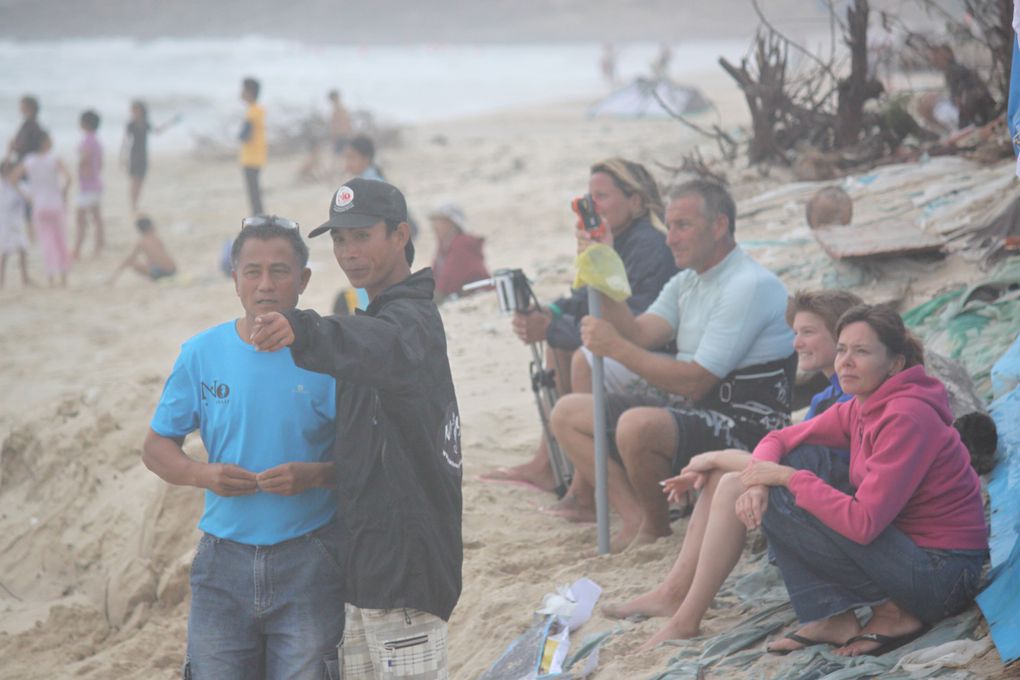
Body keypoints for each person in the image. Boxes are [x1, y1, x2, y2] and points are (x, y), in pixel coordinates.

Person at [250, 178, 462, 679]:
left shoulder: (411, 322)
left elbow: (375, 345)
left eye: (361, 236)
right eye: (339, 240)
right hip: (366, 567)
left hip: (406, 572)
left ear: (399, 234)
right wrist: (318, 474)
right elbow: (378, 445)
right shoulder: (377, 318)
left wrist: (303, 327)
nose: (348, 252)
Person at [142, 216, 345, 679]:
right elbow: (156, 447)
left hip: (311, 557)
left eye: (280, 271)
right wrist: (202, 475)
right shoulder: (200, 353)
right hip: (221, 563)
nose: (265, 284)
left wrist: (314, 475)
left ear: (304, 280)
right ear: (235, 280)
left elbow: (366, 459)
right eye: (252, 271)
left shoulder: (330, 357)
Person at [602, 289, 863, 649]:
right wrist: (716, 460)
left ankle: (685, 618)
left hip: (850, 522)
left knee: (730, 483)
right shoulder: (825, 396)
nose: (796, 343)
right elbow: (790, 458)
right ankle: (674, 594)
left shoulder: (850, 397)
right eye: (795, 332)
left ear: (841, 335)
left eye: (807, 332)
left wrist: (719, 456)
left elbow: (802, 472)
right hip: (823, 502)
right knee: (719, 476)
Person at [550, 179, 795, 552]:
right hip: (697, 409)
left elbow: (695, 381)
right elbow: (636, 331)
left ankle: (656, 525)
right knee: (567, 413)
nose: (670, 238)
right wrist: (600, 259)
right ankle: (633, 515)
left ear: (719, 226)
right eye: (670, 226)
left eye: (683, 226)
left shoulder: (747, 285)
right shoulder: (686, 282)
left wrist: (614, 347)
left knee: (637, 425)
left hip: (748, 426)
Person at [738, 304, 987, 656]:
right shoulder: (862, 405)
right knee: (792, 465)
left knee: (790, 485)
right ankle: (832, 616)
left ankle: (894, 612)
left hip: (943, 576)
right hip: (909, 556)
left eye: (861, 351)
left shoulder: (906, 416)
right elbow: (780, 439)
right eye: (841, 350)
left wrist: (790, 479)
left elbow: (864, 523)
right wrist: (758, 482)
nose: (845, 362)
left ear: (895, 364)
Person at [480, 158, 678, 506]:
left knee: (579, 354)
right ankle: (547, 466)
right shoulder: (613, 238)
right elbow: (583, 297)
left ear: (635, 201)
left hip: (657, 355)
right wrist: (550, 313)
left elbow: (630, 323)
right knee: (558, 345)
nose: (591, 207)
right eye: (589, 198)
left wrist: (552, 326)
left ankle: (586, 491)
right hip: (629, 343)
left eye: (601, 197)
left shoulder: (649, 246)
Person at [12, 132, 71, 287]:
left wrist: (27, 195)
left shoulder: (29, 161)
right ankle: (63, 276)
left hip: (39, 204)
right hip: (55, 202)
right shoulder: (54, 159)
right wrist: (64, 193)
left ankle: (51, 276)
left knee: (47, 242)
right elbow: (68, 178)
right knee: (61, 240)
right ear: (44, 142)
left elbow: (13, 179)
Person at [122, 100, 178, 212]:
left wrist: (171, 122)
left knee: (141, 180)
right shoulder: (131, 124)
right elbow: (125, 141)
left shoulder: (145, 123)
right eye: (133, 110)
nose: (134, 112)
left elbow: (157, 131)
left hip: (143, 154)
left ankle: (136, 203)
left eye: (136, 110)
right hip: (134, 154)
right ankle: (133, 204)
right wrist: (123, 157)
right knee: (134, 180)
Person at [429, 202, 490, 300]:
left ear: (452, 222)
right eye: (434, 221)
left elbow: (449, 281)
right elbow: (435, 275)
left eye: (439, 220)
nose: (434, 225)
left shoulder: (461, 243)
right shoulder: (444, 244)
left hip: (476, 294)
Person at [109, 215, 177, 283]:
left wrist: (114, 277)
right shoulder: (157, 239)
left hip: (161, 273)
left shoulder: (141, 242)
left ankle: (155, 278)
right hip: (173, 270)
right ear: (151, 227)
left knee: (134, 263)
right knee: (151, 263)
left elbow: (129, 259)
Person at [73, 109, 104, 258]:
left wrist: (80, 167)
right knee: (96, 218)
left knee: (81, 219)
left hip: (88, 185)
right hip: (95, 183)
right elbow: (100, 163)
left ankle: (78, 249)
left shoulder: (88, 140)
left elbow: (84, 158)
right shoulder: (96, 141)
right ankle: (98, 247)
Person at [0, 159, 33, 288]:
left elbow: (30, 201)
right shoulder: (2, 185)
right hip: (5, 223)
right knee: (4, 253)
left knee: (22, 250)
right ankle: (1, 280)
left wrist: (16, 186)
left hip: (17, 223)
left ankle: (25, 279)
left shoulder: (21, 185)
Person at [239, 77, 267, 216]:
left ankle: (258, 216)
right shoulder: (259, 110)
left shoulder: (252, 112)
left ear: (249, 92)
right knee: (255, 191)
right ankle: (259, 215)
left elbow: (244, 135)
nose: (240, 93)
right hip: (258, 155)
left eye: (243, 89)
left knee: (253, 193)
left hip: (250, 157)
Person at [7, 95, 44, 162]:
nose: (20, 108)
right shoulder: (27, 124)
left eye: (23, 106)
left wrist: (14, 146)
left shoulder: (33, 126)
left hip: (27, 162)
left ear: (30, 108)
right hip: (24, 160)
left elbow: (32, 147)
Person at [328, 89, 353, 174]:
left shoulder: (339, 109)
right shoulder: (340, 108)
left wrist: (334, 135)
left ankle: (339, 172)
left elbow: (338, 123)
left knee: (339, 155)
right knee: (340, 155)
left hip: (341, 135)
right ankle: (339, 171)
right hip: (343, 134)